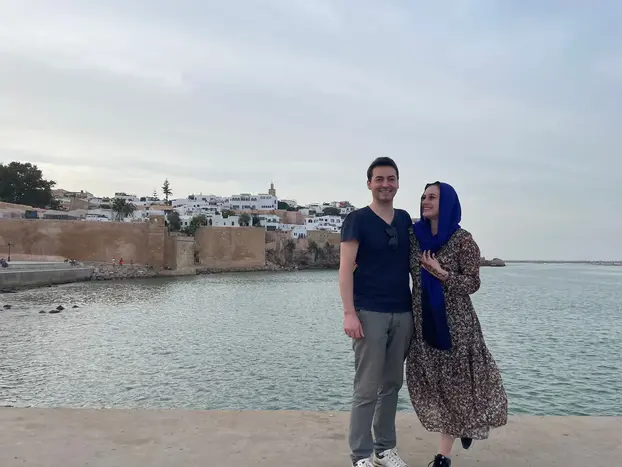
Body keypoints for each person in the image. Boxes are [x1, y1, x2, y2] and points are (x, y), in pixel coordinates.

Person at [406, 182, 508, 467]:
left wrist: (442, 273)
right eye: (424, 196)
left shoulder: (463, 240)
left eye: (433, 197)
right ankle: (463, 424)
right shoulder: (414, 237)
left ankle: (443, 456)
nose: (425, 201)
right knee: (432, 383)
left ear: (448, 203)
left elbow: (473, 283)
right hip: (423, 322)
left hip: (457, 326)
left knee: (455, 385)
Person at [339, 157, 414, 467]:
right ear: (369, 183)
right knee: (367, 387)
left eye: (391, 178)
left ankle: (384, 449)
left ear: (398, 183)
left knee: (392, 385)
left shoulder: (405, 219)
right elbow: (345, 269)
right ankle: (360, 455)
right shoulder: (357, 220)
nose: (386, 184)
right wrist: (349, 313)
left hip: (403, 313)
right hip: (369, 312)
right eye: (379, 179)